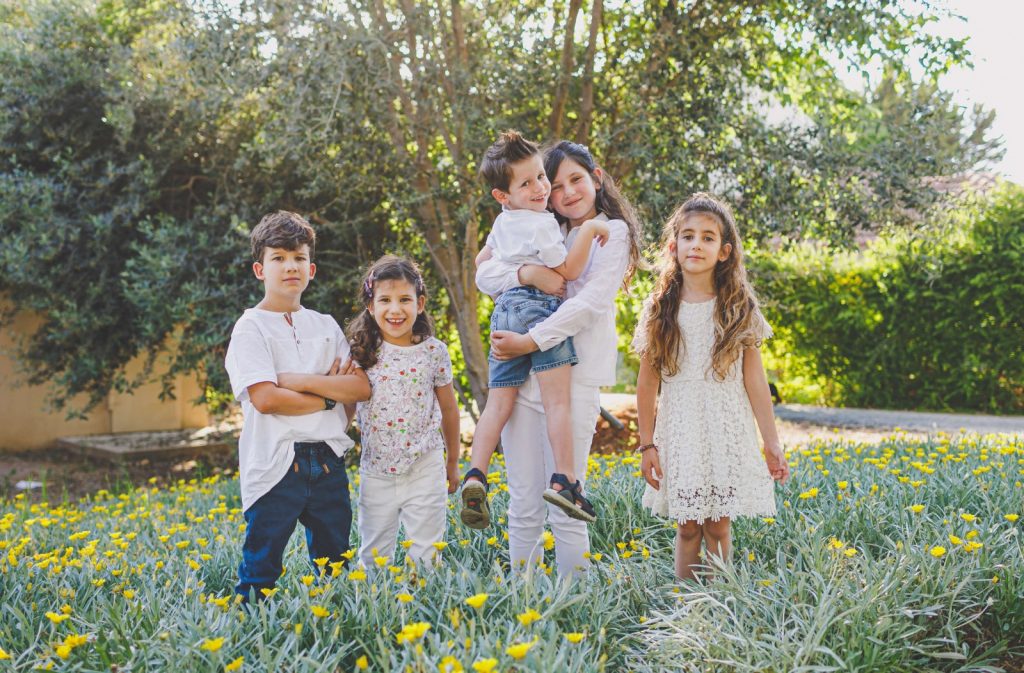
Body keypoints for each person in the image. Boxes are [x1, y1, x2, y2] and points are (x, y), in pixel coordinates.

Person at [475, 140, 643, 576]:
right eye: (558, 184)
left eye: (577, 180)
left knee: (566, 497)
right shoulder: (538, 226)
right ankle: (523, 596)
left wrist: (530, 341)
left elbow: (586, 303)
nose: (567, 192)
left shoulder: (611, 232)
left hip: (575, 380)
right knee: (523, 499)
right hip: (523, 382)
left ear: (597, 179)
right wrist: (525, 273)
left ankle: (576, 604)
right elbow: (484, 272)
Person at [633, 193, 790, 581]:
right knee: (687, 526)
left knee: (718, 524)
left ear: (724, 250)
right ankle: (686, 605)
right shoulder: (659, 309)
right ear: (674, 246)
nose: (696, 244)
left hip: (725, 427)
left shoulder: (738, 306)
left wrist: (771, 443)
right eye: (688, 236)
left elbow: (755, 381)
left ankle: (719, 606)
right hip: (681, 429)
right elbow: (647, 382)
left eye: (707, 237)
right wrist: (647, 444)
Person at [460, 130, 610, 529]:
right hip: (541, 313)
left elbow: (482, 263)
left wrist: (517, 270)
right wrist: (592, 232)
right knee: (557, 403)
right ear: (502, 195)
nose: (541, 188)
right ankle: (565, 480)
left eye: (540, 177)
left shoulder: (503, 221)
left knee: (497, 404)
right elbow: (569, 272)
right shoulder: (544, 224)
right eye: (528, 183)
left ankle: (475, 473)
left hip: (506, 311)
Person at [224, 211, 371, 601]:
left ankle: (336, 631)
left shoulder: (324, 325)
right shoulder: (250, 327)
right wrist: (328, 395)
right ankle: (253, 640)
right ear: (260, 269)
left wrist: (303, 386)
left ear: (312, 268)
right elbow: (267, 399)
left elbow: (358, 388)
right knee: (262, 566)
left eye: (299, 258)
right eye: (278, 258)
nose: (290, 266)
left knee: (335, 564)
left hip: (328, 461)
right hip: (275, 463)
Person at [332, 255, 461, 569]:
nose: (395, 309)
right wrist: (332, 448)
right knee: (373, 555)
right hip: (376, 470)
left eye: (404, 299)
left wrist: (453, 462)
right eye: (385, 300)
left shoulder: (434, 351)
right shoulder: (360, 353)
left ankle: (423, 610)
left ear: (420, 303)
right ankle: (377, 612)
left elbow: (448, 408)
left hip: (425, 466)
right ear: (371, 306)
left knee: (427, 553)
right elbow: (346, 408)